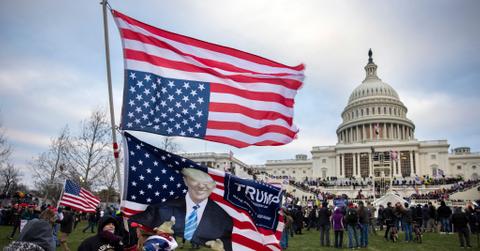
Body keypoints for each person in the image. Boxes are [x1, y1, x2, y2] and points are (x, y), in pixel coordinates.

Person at [130, 168, 233, 251]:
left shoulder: (225, 220)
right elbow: (135, 225)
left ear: (214, 186)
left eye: (207, 182)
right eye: (194, 179)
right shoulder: (161, 208)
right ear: (185, 181)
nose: (201, 186)